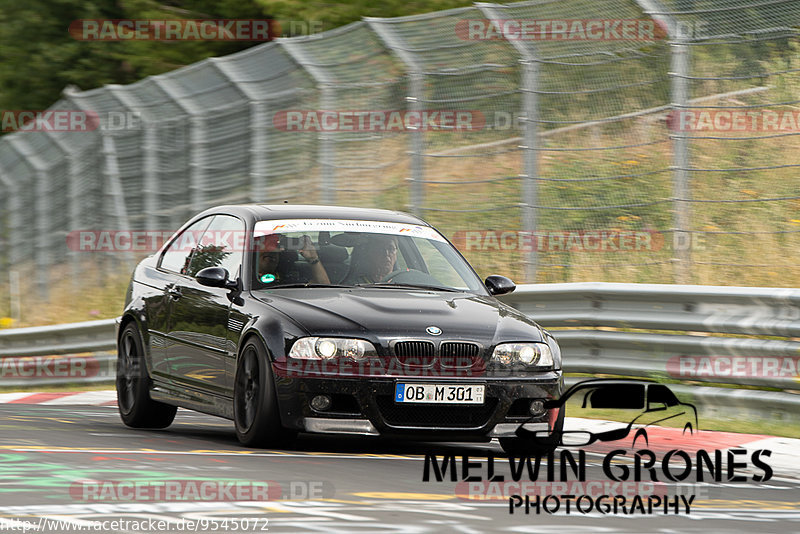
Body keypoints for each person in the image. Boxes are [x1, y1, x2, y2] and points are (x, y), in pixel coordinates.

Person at [254, 233, 330, 285]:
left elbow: (325, 290)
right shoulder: (245, 278)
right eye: (268, 246)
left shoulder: (289, 279)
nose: (273, 251)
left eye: (276, 248)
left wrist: (313, 258)